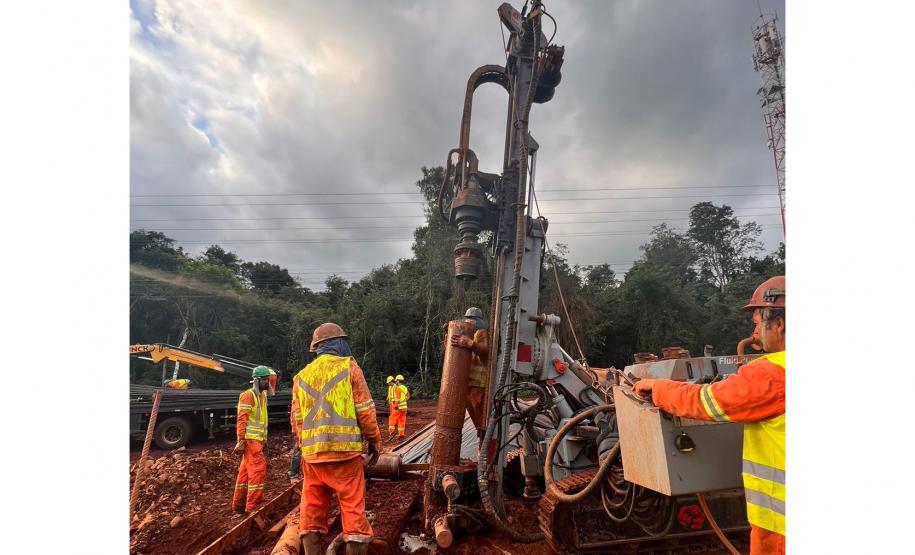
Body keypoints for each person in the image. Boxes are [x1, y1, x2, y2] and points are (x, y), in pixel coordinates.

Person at [633, 276, 785, 555]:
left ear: (779, 324)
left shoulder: (772, 374)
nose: (754, 330)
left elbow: (706, 402)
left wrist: (658, 388)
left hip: (781, 527)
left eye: (756, 322)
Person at [292, 323, 381, 555]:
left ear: (317, 348)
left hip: (313, 457)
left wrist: (304, 447)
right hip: (345, 456)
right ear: (339, 343)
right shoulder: (349, 368)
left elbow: (297, 419)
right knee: (352, 508)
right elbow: (365, 410)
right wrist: (374, 440)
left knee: (311, 508)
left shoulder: (301, 376)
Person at [231, 365, 277, 514]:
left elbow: (274, 378)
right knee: (258, 472)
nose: (267, 382)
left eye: (267, 379)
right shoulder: (248, 395)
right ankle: (253, 508)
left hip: (257, 440)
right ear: (256, 380)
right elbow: (242, 419)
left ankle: (238, 506)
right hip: (251, 441)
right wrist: (241, 439)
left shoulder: (262, 396)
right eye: (264, 380)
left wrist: (263, 440)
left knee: (244, 475)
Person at [449, 307, 490, 434]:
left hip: (479, 385)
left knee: (482, 421)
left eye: (471, 320)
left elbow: (485, 351)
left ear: (477, 321)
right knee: (478, 422)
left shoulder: (481, 333)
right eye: (467, 320)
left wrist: (470, 343)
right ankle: (483, 439)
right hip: (469, 385)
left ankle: (487, 441)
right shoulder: (467, 336)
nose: (469, 322)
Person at [389, 374, 409, 440]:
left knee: (392, 418)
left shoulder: (398, 388)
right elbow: (408, 396)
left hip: (399, 408)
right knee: (402, 420)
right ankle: (401, 435)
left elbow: (397, 398)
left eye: (396, 381)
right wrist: (404, 401)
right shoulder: (405, 387)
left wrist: (396, 406)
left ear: (398, 381)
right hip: (404, 407)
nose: (396, 382)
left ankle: (391, 433)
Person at [385, 375, 397, 440]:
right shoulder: (390, 387)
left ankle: (393, 427)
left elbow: (397, 395)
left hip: (394, 403)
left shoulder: (395, 387)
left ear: (391, 381)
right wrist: (387, 399)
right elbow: (389, 394)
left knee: (393, 416)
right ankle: (394, 424)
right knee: (392, 415)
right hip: (391, 403)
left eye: (388, 382)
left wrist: (396, 403)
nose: (388, 384)